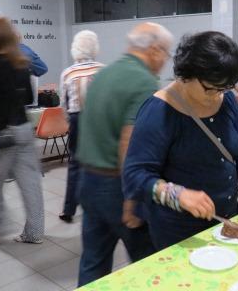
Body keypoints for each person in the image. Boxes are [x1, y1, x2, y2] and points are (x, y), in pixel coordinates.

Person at [122, 31, 238, 251]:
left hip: (226, 221)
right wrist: (179, 195)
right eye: (211, 88)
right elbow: (135, 176)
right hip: (179, 231)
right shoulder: (159, 111)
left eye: (225, 88)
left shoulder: (225, 97)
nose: (218, 95)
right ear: (187, 74)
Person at [76, 22, 173, 287]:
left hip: (89, 181)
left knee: (93, 261)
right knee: (147, 262)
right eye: (166, 53)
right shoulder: (144, 82)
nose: (165, 60)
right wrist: (133, 200)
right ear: (154, 49)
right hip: (118, 188)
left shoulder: (105, 73)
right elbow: (130, 144)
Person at [0, 16, 44, 244]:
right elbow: (29, 97)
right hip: (24, 130)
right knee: (30, 184)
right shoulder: (22, 62)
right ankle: (35, 232)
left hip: (0, 133)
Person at [58, 30, 103, 223]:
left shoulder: (68, 72)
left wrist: (70, 120)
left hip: (77, 118)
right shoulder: (104, 69)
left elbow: (63, 103)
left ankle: (69, 210)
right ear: (95, 48)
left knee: (75, 163)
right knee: (100, 161)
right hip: (99, 120)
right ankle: (99, 204)